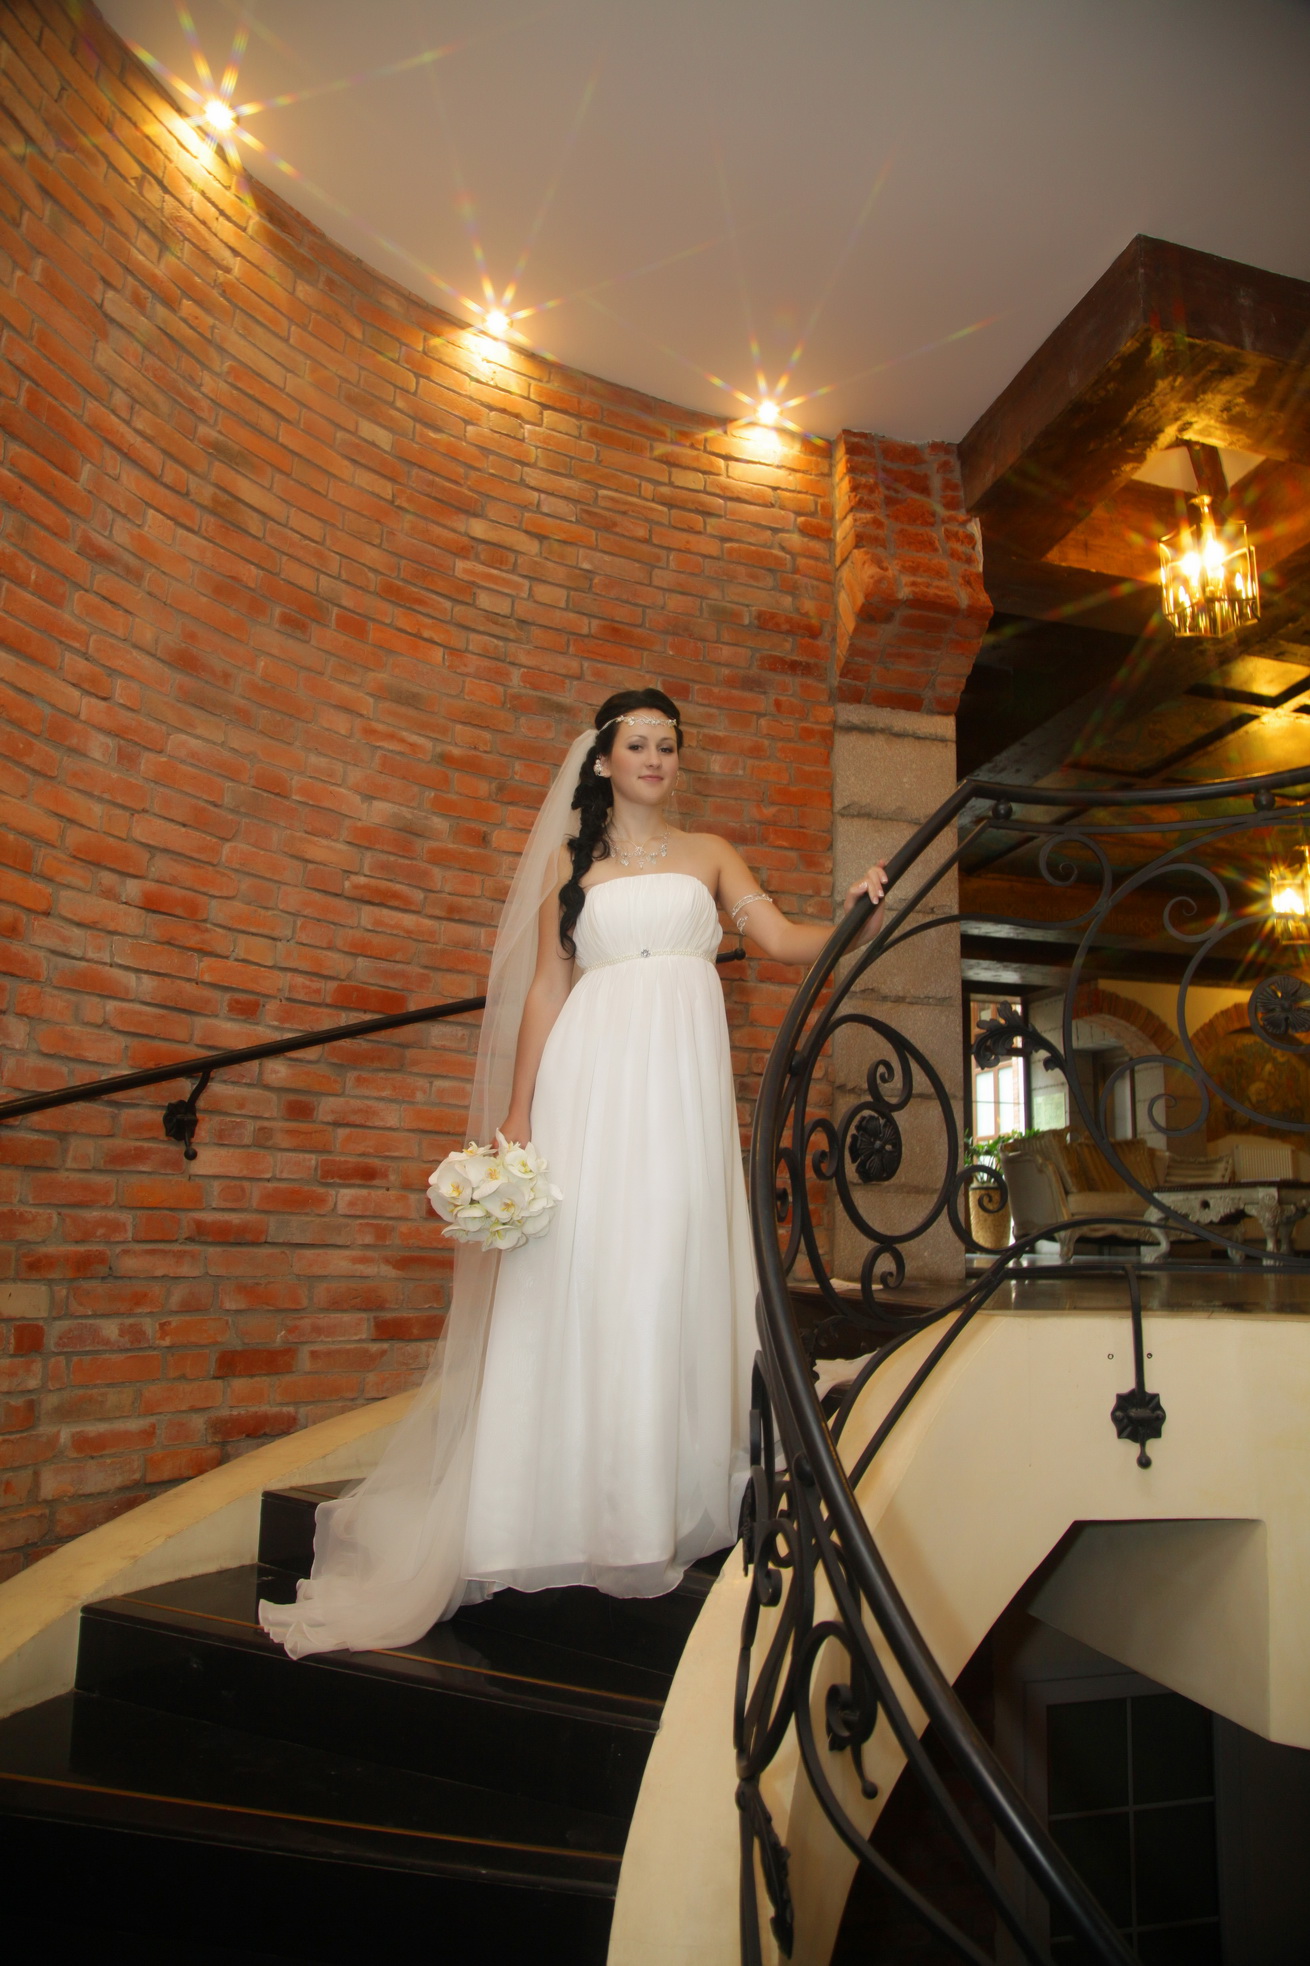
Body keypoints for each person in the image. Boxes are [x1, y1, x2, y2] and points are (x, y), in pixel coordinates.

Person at [260, 689, 886, 1658]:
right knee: (584, 1271)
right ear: (603, 760)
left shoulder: (709, 852)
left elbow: (776, 941)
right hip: (588, 1086)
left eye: (668, 744)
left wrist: (851, 918)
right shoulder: (570, 864)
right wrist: (519, 1112)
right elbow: (549, 990)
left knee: (666, 1265)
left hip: (679, 1093)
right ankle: (541, 1507)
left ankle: (652, 1500)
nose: (655, 758)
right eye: (637, 744)